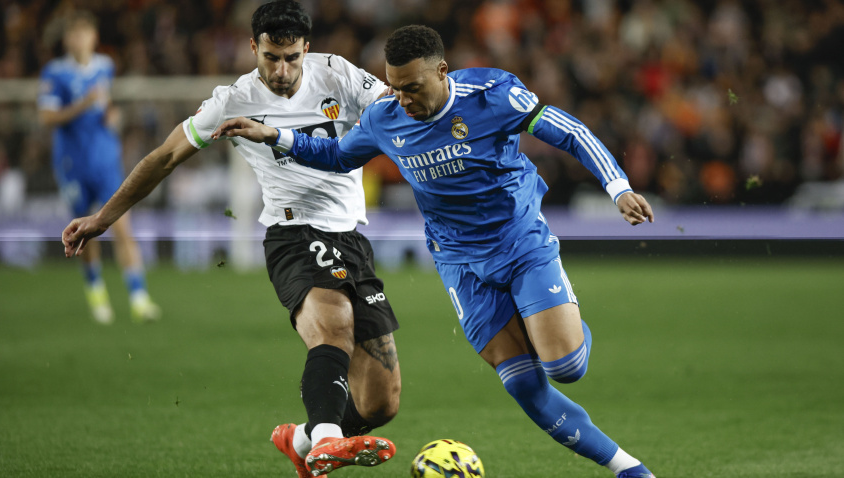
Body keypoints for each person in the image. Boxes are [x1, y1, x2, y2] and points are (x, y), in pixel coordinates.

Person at [213, 25, 657, 478]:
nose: (402, 98)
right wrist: (275, 136)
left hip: (520, 243)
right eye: (395, 86)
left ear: (442, 72)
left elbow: (570, 131)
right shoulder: (386, 117)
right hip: (460, 264)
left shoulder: (493, 93)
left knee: (564, 367)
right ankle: (630, 470)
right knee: (525, 386)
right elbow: (336, 156)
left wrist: (617, 187)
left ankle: (554, 311)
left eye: (412, 88)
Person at [61, 2, 400, 477]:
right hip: (294, 231)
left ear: (307, 48)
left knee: (382, 400)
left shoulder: (339, 75)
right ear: (252, 47)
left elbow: (399, 109)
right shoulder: (232, 100)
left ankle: (301, 440)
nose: (281, 71)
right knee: (334, 326)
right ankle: (326, 442)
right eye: (270, 58)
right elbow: (163, 158)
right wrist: (104, 217)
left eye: (291, 58)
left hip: (351, 238)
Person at [39, 10, 161, 324]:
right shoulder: (55, 73)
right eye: (74, 34)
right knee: (83, 233)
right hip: (72, 163)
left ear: (93, 37)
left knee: (123, 226)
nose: (79, 40)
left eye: (85, 34)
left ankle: (139, 298)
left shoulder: (105, 66)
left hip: (105, 159)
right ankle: (97, 293)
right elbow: (47, 117)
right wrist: (82, 105)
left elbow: (104, 105)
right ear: (67, 39)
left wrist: (111, 115)